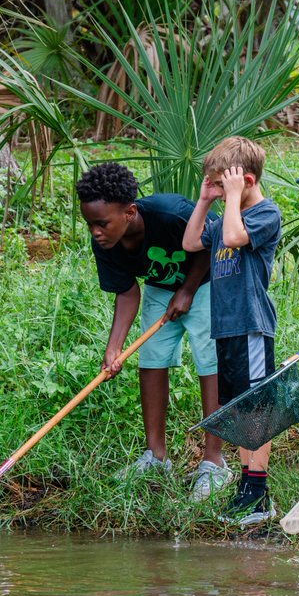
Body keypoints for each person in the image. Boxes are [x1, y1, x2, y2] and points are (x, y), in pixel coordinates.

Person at [77, 163, 232, 501]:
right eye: (90, 224)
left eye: (102, 223)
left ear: (130, 212)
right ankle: (157, 456)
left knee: (210, 362)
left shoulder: (170, 213)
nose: (96, 232)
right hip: (161, 289)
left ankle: (214, 461)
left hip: (206, 284)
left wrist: (189, 289)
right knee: (151, 360)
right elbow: (128, 292)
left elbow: (212, 243)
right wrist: (114, 348)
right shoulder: (106, 245)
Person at [182, 136, 282, 527]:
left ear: (248, 180)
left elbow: (233, 239)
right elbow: (191, 242)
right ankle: (247, 487)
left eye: (224, 186)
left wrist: (235, 196)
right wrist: (206, 199)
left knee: (255, 408)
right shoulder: (225, 214)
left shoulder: (264, 214)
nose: (221, 193)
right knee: (239, 409)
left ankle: (258, 494)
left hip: (251, 325)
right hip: (226, 328)